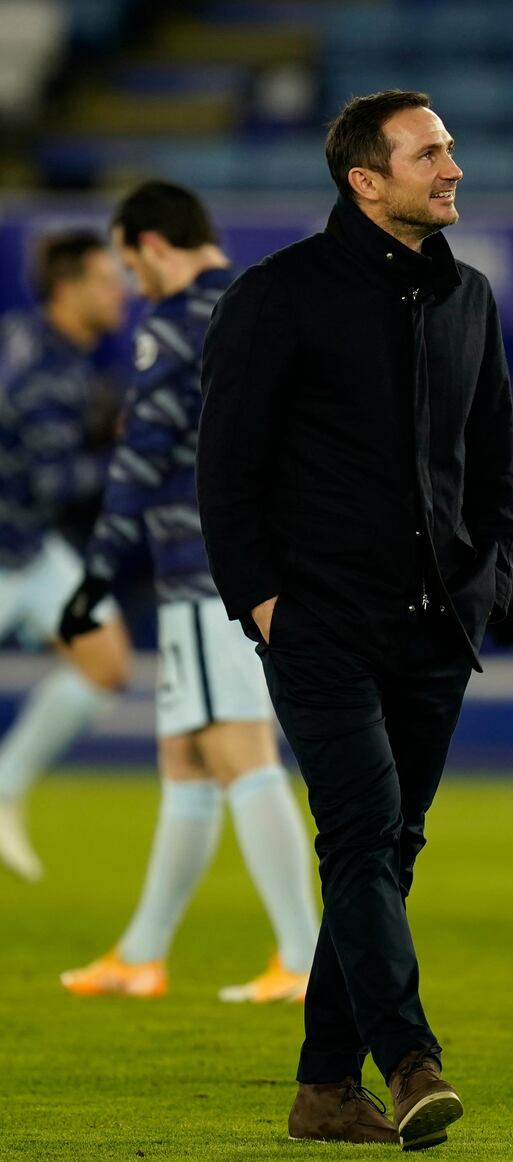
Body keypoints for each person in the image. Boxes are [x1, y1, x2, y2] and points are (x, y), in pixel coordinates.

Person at [197, 90, 513, 1150]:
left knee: (385, 847)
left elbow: (490, 470)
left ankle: (325, 1088)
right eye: (429, 152)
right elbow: (225, 470)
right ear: (364, 180)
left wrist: (484, 578)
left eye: (452, 149)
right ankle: (411, 1057)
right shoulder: (276, 296)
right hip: (319, 624)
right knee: (365, 833)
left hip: (434, 630)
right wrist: (264, 603)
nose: (453, 166)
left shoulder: (468, 298)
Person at [58, 181, 319, 1003]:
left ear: (155, 246)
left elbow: (141, 460)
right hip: (246, 562)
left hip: (206, 570)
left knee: (240, 751)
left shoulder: (174, 322)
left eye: (130, 265)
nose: (131, 285)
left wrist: (96, 573)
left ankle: (306, 956)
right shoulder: (260, 304)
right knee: (187, 761)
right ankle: (142, 950)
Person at [0, 230, 131, 882]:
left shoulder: (41, 345)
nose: (120, 291)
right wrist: (130, 459)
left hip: (27, 546)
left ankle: (3, 788)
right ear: (69, 288)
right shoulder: (48, 372)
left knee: (103, 658)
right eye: (107, 279)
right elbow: (57, 482)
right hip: (6, 546)